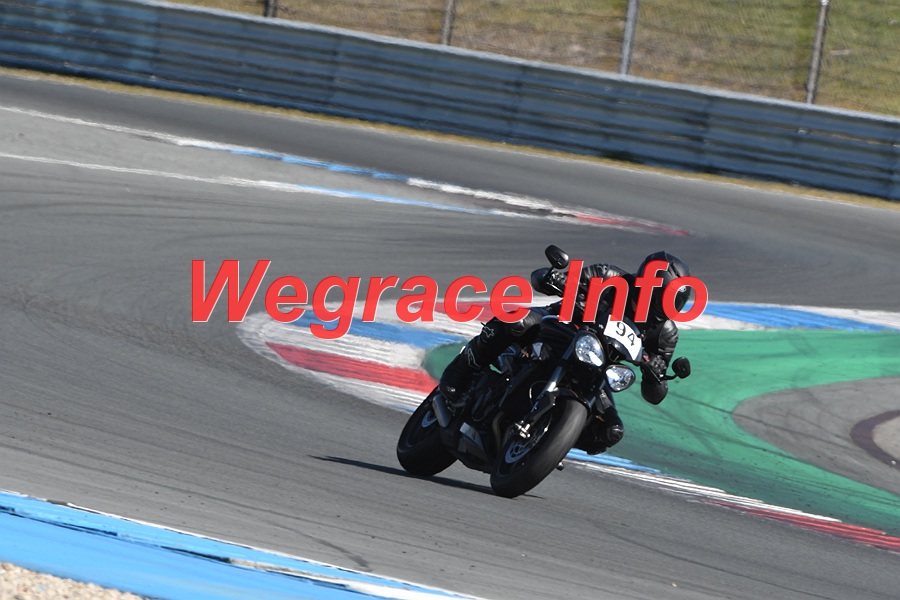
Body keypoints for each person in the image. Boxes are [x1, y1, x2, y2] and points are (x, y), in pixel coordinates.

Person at [438, 251, 692, 455]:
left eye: (675, 301)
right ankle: (460, 372)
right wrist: (558, 280)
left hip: (597, 368)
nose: (667, 306)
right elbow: (544, 278)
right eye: (665, 297)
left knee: (611, 430)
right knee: (516, 321)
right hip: (559, 328)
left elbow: (655, 393)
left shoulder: (665, 333)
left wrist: (655, 373)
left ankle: (548, 441)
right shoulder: (609, 278)